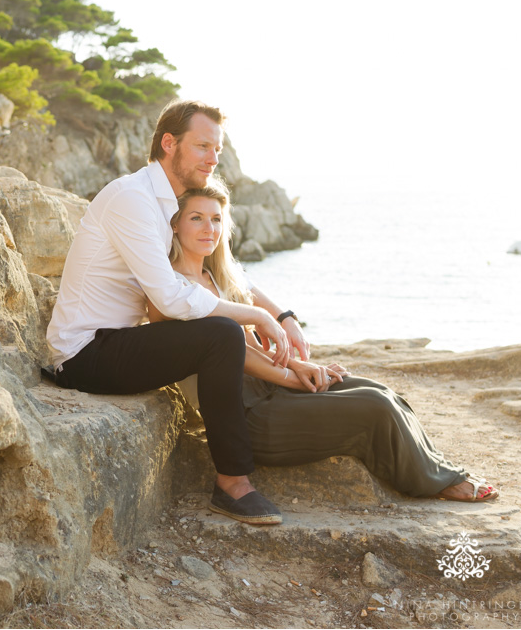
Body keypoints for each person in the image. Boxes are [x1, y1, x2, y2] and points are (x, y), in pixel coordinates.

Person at [48, 100, 316, 526]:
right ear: (168, 143)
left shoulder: (168, 205)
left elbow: (223, 270)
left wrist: (281, 314)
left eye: (218, 150)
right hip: (85, 354)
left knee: (222, 330)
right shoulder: (132, 199)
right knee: (222, 334)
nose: (212, 159)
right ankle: (233, 484)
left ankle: (264, 417)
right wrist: (255, 319)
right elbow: (173, 299)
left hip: (119, 343)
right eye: (203, 146)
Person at [148, 184, 498, 503]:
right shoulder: (172, 291)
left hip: (270, 392)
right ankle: (435, 483)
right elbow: (238, 357)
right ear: (175, 224)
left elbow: (252, 345)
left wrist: (297, 361)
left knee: (381, 391)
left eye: (216, 219)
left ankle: (441, 469)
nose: (209, 228)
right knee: (374, 408)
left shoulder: (216, 277)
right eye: (197, 218)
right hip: (247, 417)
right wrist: (296, 374)